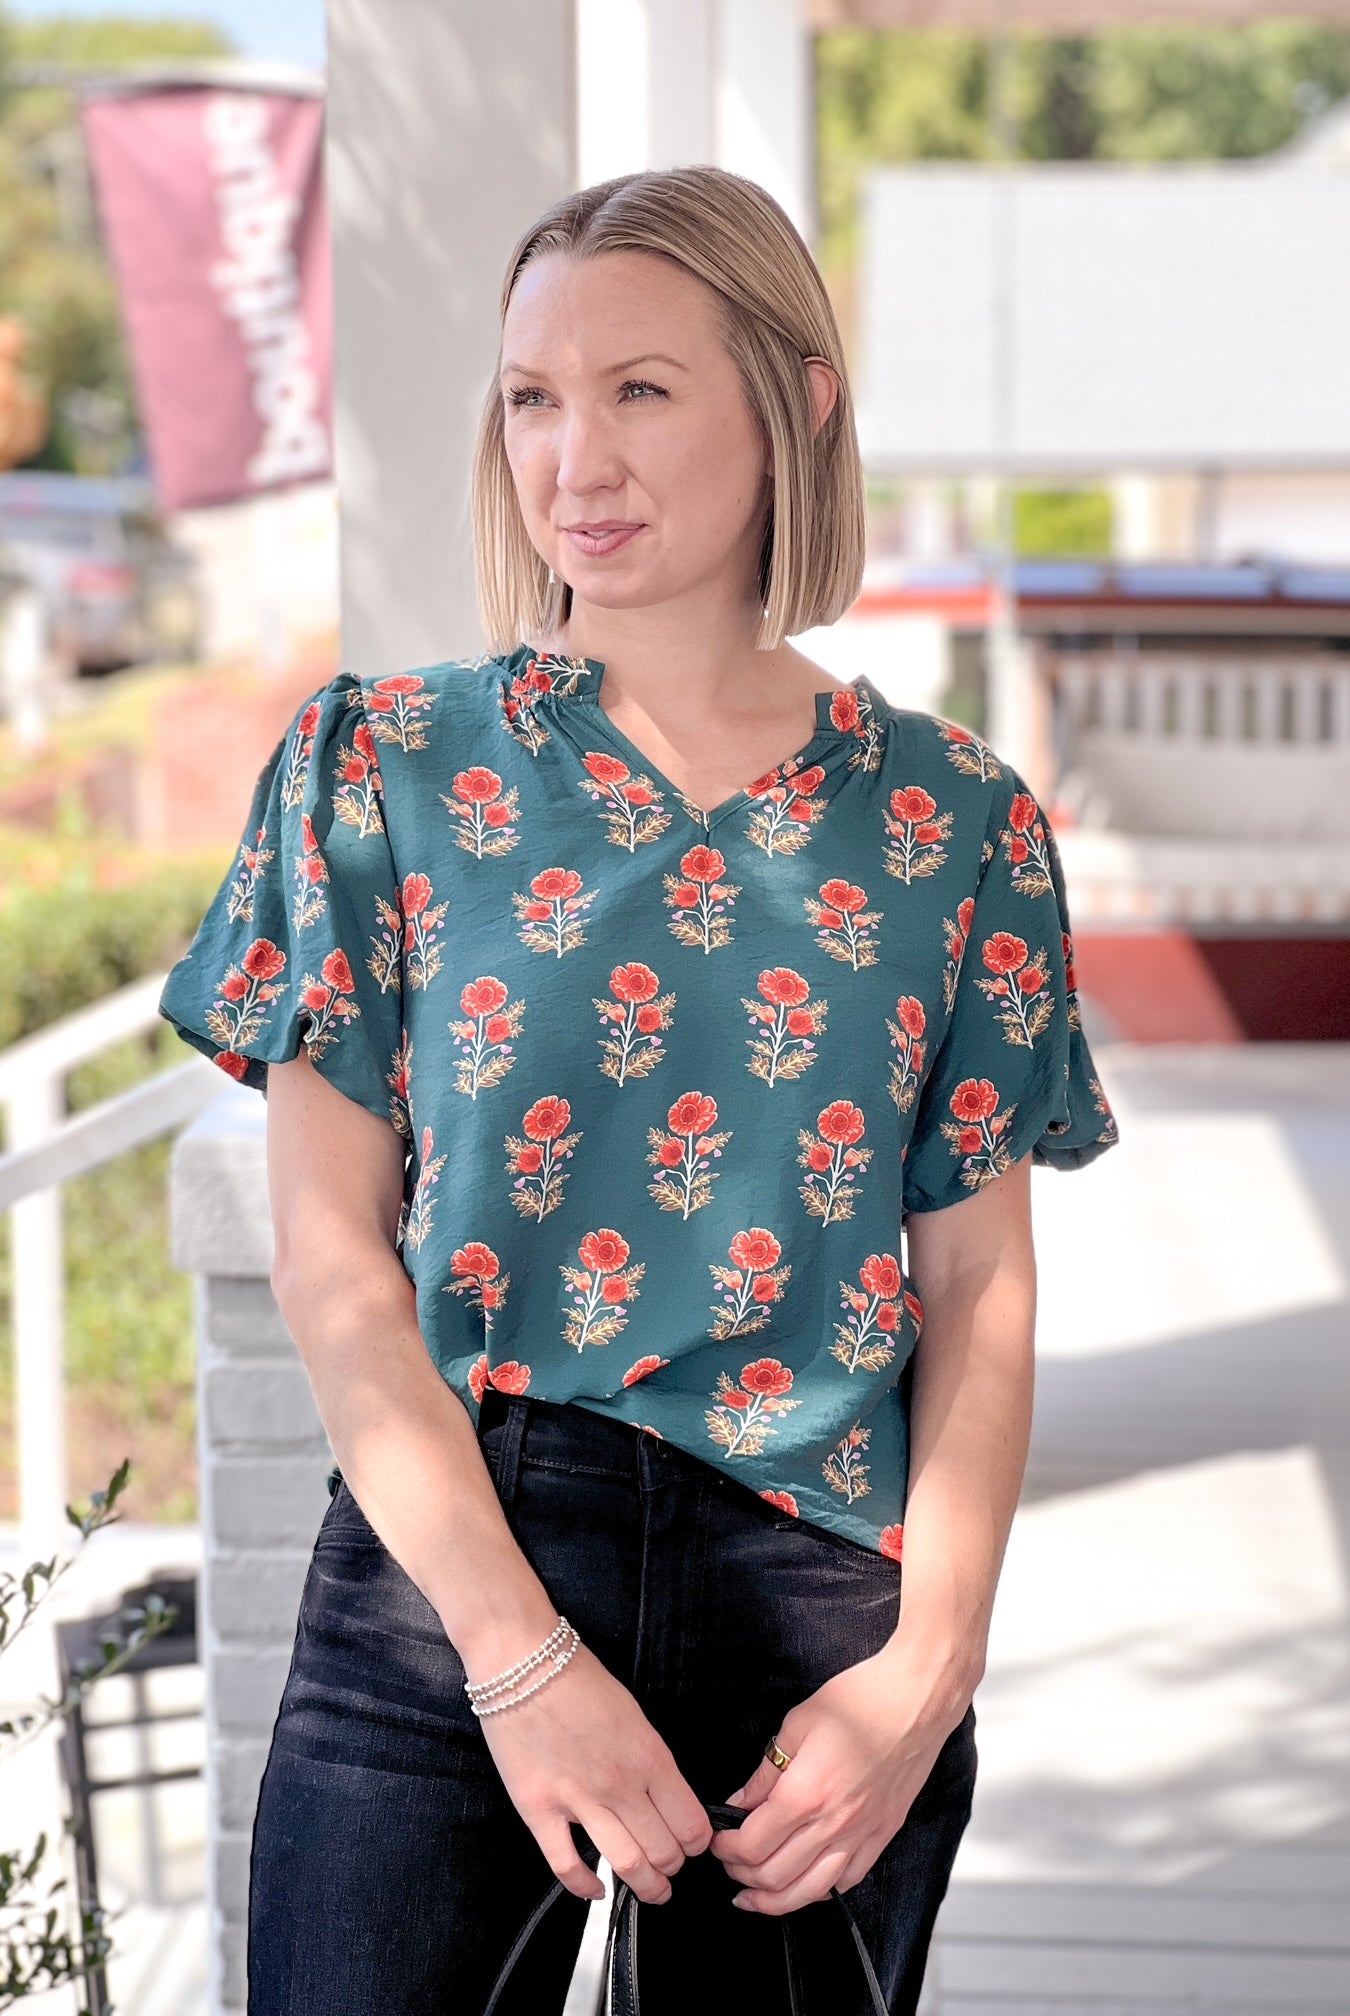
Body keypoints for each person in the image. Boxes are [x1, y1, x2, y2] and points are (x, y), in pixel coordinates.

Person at [159, 164, 1120, 2016]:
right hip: (458, 1573)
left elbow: (979, 1292)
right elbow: (332, 1254)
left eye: (640, 390)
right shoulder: (382, 765)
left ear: (795, 402)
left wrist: (928, 1668)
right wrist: (519, 1667)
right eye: (532, 396)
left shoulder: (956, 825)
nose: (569, 454)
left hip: (820, 1596)